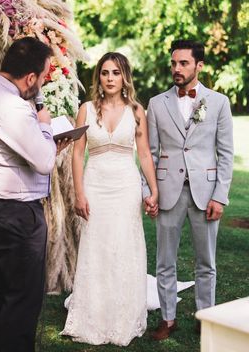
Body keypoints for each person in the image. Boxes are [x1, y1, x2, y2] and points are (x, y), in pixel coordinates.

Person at [0, 37, 70, 352]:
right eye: (42, 78)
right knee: (22, 301)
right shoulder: (11, 106)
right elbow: (42, 161)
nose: (40, 85)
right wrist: (45, 126)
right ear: (29, 78)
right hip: (16, 214)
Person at [61, 52, 159, 346]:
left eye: (115, 72)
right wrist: (79, 193)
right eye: (105, 73)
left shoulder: (137, 111)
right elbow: (77, 154)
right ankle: (95, 314)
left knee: (124, 245)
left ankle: (123, 315)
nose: (110, 78)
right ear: (99, 78)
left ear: (124, 76)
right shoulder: (87, 109)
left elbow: (144, 154)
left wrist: (152, 190)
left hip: (126, 186)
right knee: (97, 247)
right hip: (96, 185)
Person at [146, 39, 234, 340]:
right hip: (168, 192)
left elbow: (226, 153)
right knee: (164, 261)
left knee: (206, 262)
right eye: (174, 63)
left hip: (205, 193)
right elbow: (151, 154)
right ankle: (167, 319)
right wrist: (150, 191)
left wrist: (219, 196)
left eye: (183, 63)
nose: (177, 69)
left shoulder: (219, 102)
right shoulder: (156, 104)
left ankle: (204, 317)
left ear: (199, 65)